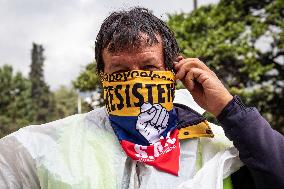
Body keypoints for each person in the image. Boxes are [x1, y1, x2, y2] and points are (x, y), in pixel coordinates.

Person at [0, 7, 283, 189]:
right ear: (102, 76)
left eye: (148, 68)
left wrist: (228, 108)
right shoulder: (55, 147)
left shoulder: (213, 145)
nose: (135, 80)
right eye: (120, 70)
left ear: (174, 70)